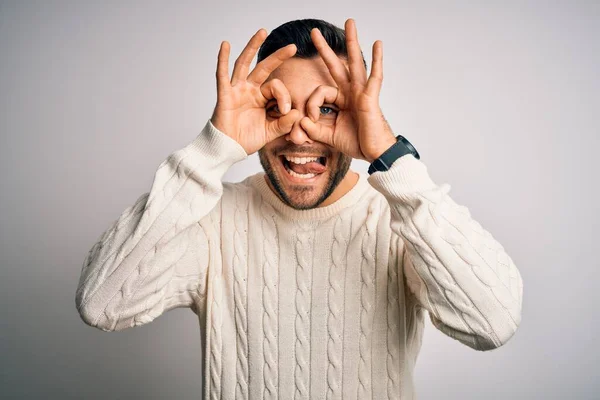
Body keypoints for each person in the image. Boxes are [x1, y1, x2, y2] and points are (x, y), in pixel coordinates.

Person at [75, 18, 523, 399]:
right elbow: (102, 305)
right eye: (277, 107)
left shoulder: (401, 219)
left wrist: (389, 153)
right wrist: (211, 150)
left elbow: (492, 322)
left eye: (328, 108)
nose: (299, 134)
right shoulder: (212, 219)